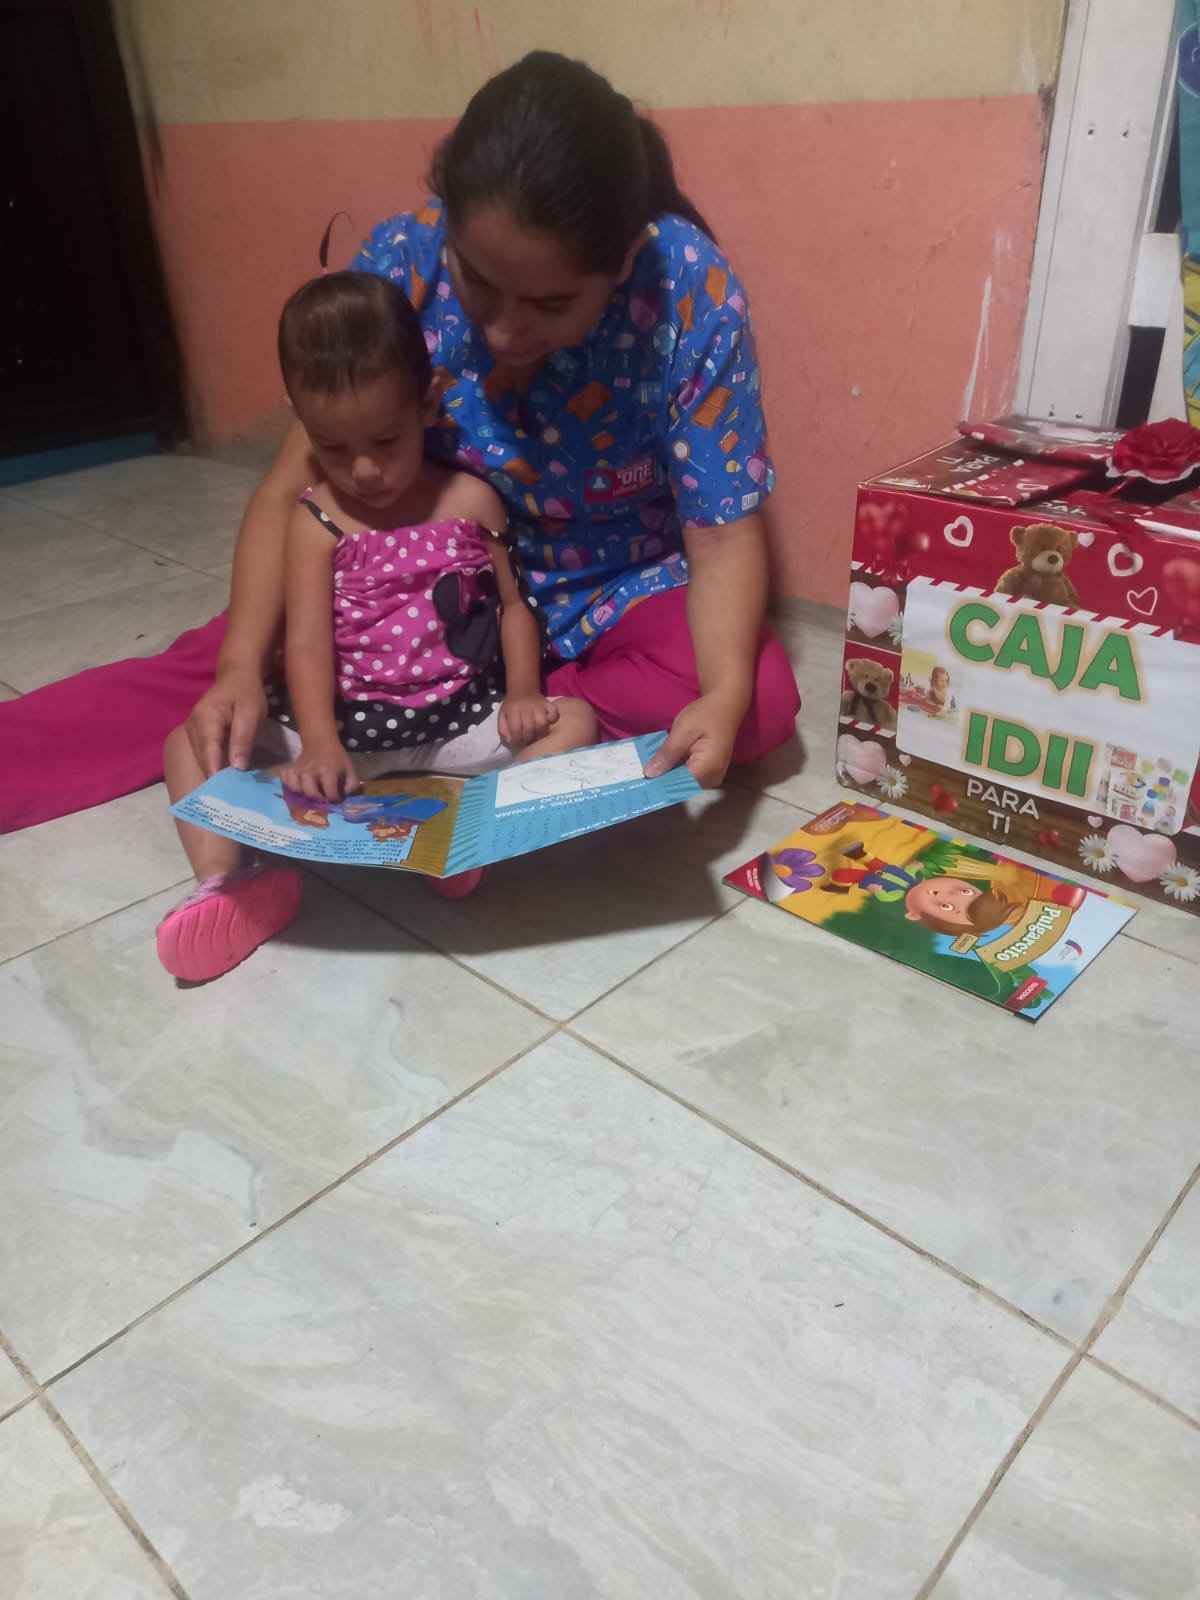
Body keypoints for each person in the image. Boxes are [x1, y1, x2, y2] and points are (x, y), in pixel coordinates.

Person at [0, 50, 800, 836]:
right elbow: (291, 489)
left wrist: (721, 696)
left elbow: (723, 537)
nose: (503, 332)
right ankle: (464, 732)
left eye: (550, 304)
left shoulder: (689, 290)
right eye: (478, 280)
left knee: (755, 699)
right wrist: (243, 667)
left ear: (622, 259)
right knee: (226, 686)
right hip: (408, 584)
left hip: (613, 590)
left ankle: (494, 724)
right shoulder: (403, 265)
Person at [157, 271, 596, 982]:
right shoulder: (315, 519)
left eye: (387, 440)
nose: (364, 470)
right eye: (332, 447)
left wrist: (522, 692)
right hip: (346, 739)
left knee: (574, 720)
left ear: (426, 404)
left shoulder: (473, 502)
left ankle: (470, 837)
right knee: (187, 743)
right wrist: (319, 743)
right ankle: (225, 885)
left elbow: (515, 607)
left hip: (455, 727)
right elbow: (307, 641)